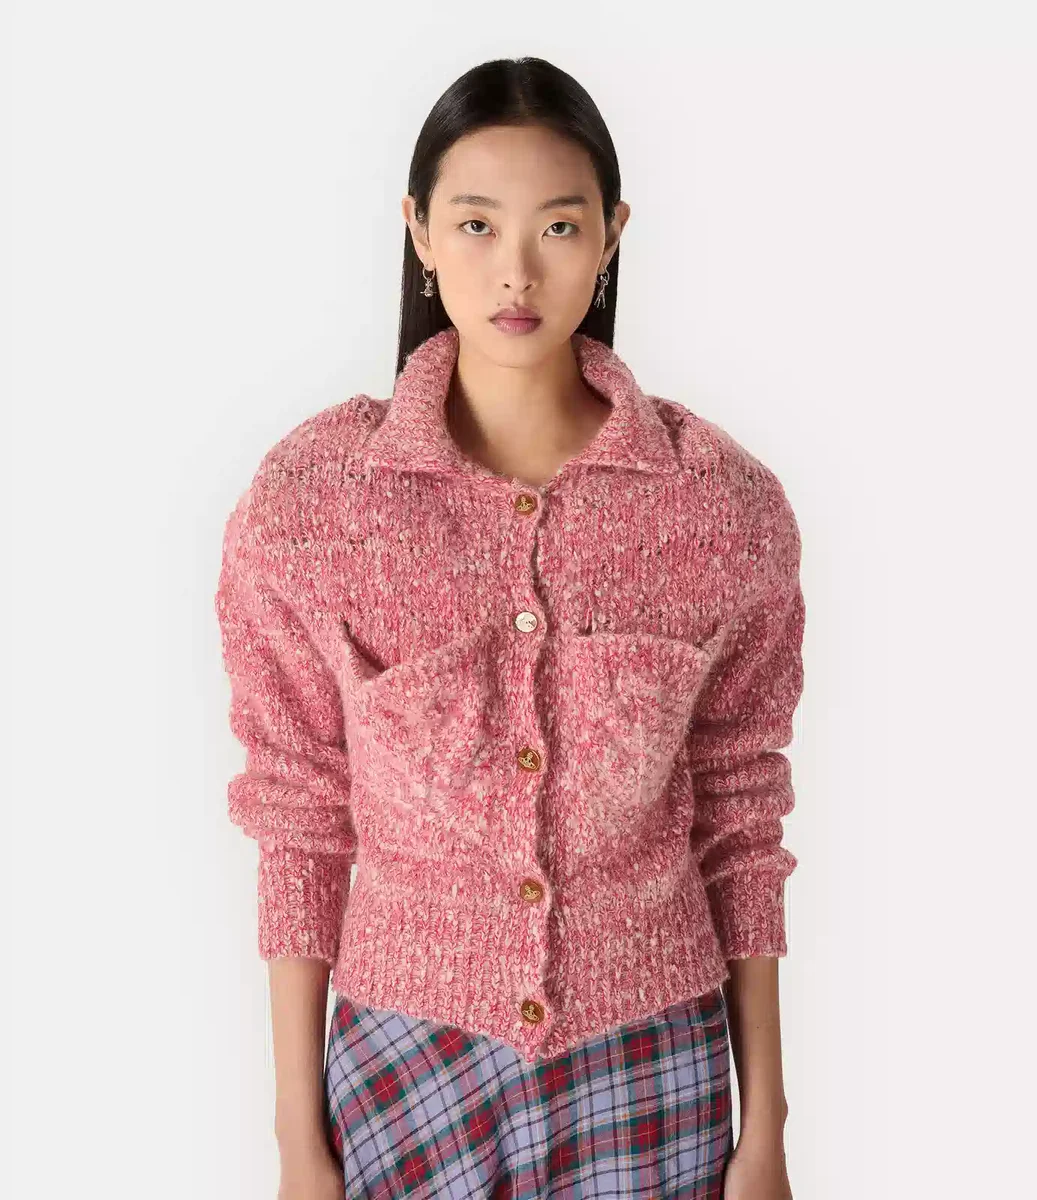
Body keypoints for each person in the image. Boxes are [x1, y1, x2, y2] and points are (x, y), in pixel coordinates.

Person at [214, 55, 805, 1200]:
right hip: (401, 1063)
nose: (515, 271)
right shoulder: (314, 505)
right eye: (476, 224)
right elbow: (297, 814)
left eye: (558, 226)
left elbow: (740, 815)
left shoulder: (718, 510)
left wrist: (764, 1125)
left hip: (652, 1064)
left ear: (611, 234)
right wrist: (295, 1136)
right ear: (418, 232)